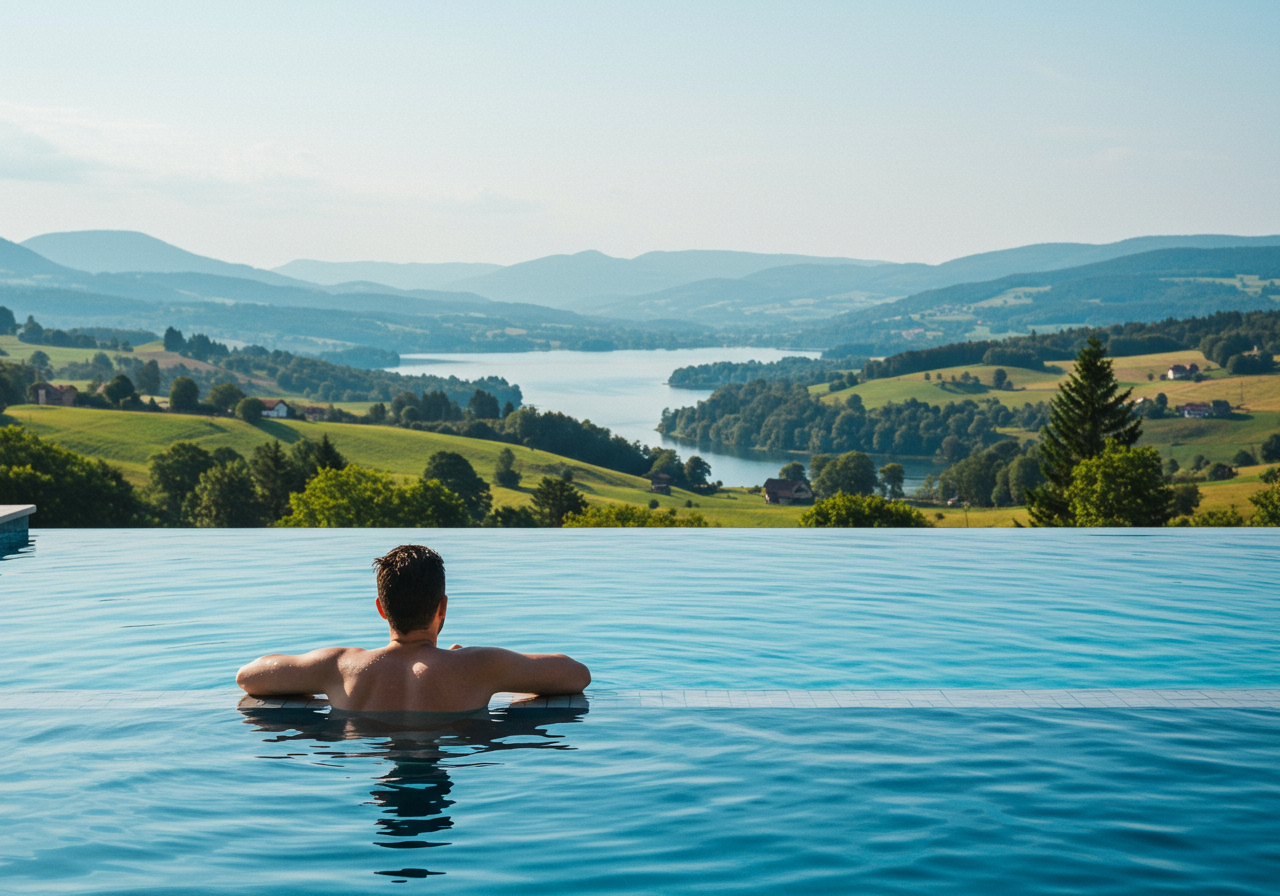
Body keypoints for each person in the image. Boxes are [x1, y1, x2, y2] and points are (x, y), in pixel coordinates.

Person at [236, 544, 591, 712]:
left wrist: (313, 685)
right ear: (442, 608)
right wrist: (460, 661)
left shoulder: (341, 666)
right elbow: (576, 675)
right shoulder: (476, 666)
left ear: (381, 609)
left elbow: (249, 677)